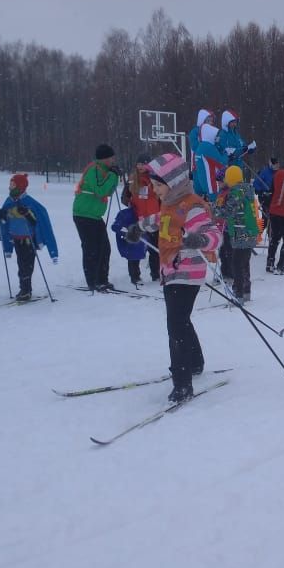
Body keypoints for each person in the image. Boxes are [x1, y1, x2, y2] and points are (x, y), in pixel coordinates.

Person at [124, 152, 222, 403]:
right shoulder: (169, 204)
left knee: (175, 325)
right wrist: (139, 227)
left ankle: (182, 383)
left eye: (158, 185)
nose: (155, 190)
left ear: (174, 183)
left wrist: (199, 239)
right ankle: (195, 362)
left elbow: (214, 235)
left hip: (188, 272)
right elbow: (158, 221)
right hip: (171, 270)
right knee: (181, 320)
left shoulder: (192, 206)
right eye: (154, 186)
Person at [0, 174, 58, 301]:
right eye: (10, 185)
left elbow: (35, 221)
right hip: (16, 239)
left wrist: (26, 213)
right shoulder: (9, 201)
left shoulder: (29, 202)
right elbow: (4, 219)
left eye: (13, 185)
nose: (10, 188)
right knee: (21, 264)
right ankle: (24, 289)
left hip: (29, 240)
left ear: (21, 187)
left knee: (26, 265)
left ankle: (26, 290)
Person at [72, 144, 121, 292]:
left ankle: (101, 279)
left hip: (94, 215)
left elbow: (109, 190)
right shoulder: (94, 170)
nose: (114, 159)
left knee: (104, 248)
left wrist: (114, 176)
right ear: (105, 158)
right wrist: (114, 176)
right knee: (92, 249)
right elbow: (101, 191)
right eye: (112, 157)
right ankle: (93, 281)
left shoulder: (104, 170)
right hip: (84, 214)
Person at [215, 165, 259, 301]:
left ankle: (238, 292)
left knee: (236, 263)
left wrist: (214, 209)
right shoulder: (247, 189)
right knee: (244, 262)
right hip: (250, 230)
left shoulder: (235, 192)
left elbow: (227, 211)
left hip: (241, 231)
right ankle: (246, 291)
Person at [121, 153, 161, 283]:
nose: (140, 166)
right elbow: (124, 197)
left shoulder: (155, 178)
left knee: (155, 249)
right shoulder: (132, 179)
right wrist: (129, 202)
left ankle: (156, 275)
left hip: (154, 219)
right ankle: (135, 276)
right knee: (135, 248)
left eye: (143, 164)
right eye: (139, 164)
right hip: (137, 218)